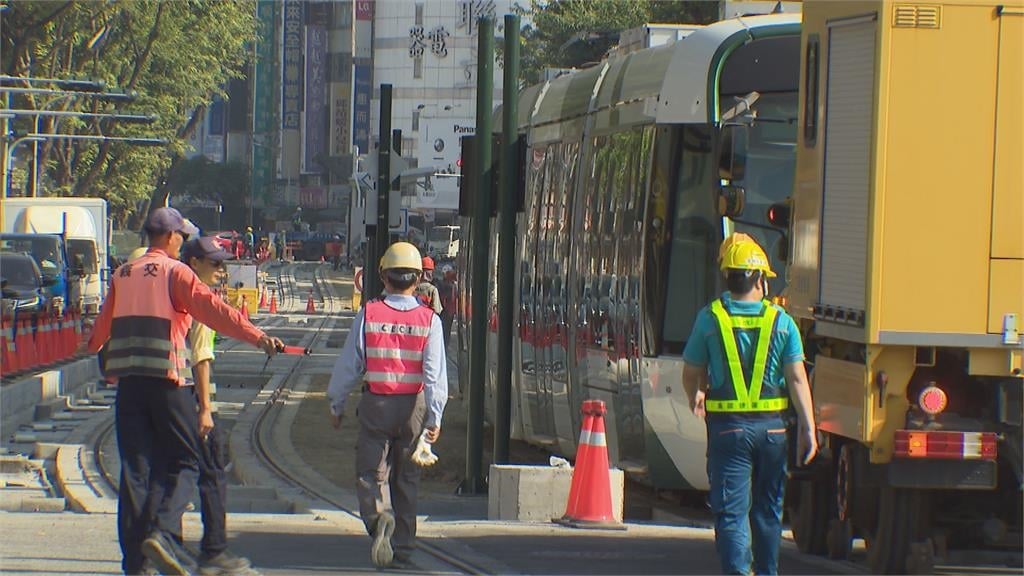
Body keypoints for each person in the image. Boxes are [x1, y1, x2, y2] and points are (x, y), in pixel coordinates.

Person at [87, 207, 283, 576]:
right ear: (172, 237)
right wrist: (258, 338)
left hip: (129, 387)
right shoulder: (175, 273)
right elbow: (214, 310)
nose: (181, 242)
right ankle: (163, 534)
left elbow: (97, 335)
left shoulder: (122, 274)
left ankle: (136, 565)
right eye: (180, 236)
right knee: (187, 460)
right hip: (168, 383)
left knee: (137, 474)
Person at [681, 233, 818, 576]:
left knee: (731, 512)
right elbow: (798, 379)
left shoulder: (710, 318)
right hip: (773, 430)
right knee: (768, 511)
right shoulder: (782, 322)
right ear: (759, 279)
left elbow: (691, 371)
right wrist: (808, 429)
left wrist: (695, 394)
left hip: (728, 429)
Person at [326, 241, 448, 569]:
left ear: (382, 276)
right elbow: (435, 375)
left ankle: (378, 517)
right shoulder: (429, 320)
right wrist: (434, 418)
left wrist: (336, 404)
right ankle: (404, 547)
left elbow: (349, 364)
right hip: (414, 409)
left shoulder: (370, 313)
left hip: (376, 405)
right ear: (419, 278)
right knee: (407, 479)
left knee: (370, 472)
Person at [180, 237, 254, 575]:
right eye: (215, 263)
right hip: (190, 395)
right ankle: (213, 551)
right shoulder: (195, 297)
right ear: (194, 262)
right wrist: (205, 407)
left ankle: (160, 543)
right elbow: (200, 355)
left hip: (158, 394)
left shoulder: (164, 287)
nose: (221, 270)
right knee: (211, 470)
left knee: (159, 472)